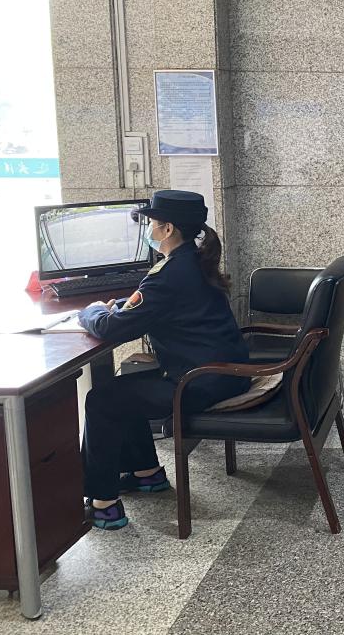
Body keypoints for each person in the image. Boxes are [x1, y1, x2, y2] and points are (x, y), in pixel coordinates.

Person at [77, 190, 249, 530]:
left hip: (198, 383)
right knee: (124, 391)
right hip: (225, 375)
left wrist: (91, 312)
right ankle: (147, 473)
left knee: (102, 400)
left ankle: (104, 505)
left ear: (168, 229)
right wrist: (122, 306)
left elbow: (112, 329)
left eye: (151, 223)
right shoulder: (192, 261)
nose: (148, 229)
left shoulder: (167, 274)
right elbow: (153, 304)